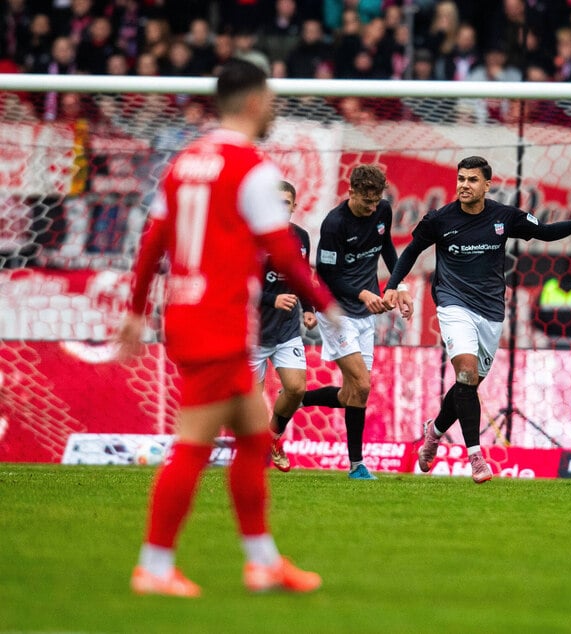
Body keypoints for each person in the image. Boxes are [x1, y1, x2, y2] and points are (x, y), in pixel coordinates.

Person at [117, 59, 337, 597]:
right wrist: (327, 304)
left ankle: (262, 562)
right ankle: (154, 565)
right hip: (220, 324)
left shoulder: (185, 162)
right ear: (257, 101)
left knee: (254, 437)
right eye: (273, 101)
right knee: (192, 446)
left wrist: (135, 309)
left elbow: (152, 243)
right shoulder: (251, 168)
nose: (274, 110)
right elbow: (284, 250)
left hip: (189, 315)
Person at [382, 156, 571, 483]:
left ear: (487, 185)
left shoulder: (503, 216)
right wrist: (393, 286)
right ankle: (475, 457)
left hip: (490, 311)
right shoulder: (440, 219)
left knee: (467, 383)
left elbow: (544, 233)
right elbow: (411, 251)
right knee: (466, 372)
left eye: (472, 180)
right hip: (452, 303)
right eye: (460, 179)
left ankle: (435, 431)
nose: (464, 185)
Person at [297, 164, 402, 480]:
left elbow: (386, 248)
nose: (372, 208)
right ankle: (357, 465)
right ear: (351, 192)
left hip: (364, 314)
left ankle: (299, 398)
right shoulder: (334, 224)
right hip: (337, 313)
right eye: (366, 201)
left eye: (376, 201)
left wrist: (396, 285)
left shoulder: (382, 210)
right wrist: (363, 294)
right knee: (363, 383)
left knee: (354, 394)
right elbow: (327, 276)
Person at [249, 180, 317, 473]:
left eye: (285, 203)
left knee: (296, 388)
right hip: (252, 332)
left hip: (286, 330)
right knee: (250, 407)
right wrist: (272, 299)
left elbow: (302, 277)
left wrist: (310, 309)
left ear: (293, 206)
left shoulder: (300, 238)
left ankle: (274, 438)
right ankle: (251, 457)